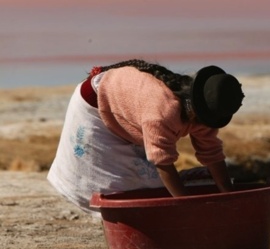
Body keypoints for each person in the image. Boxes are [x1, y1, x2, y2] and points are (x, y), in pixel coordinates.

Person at [47, 59, 245, 217]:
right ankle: (116, 246)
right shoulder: (163, 112)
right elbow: (162, 161)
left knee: (148, 182)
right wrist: (188, 207)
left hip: (128, 113)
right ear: (196, 112)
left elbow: (212, 153)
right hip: (95, 109)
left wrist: (229, 196)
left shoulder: (203, 113)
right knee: (121, 187)